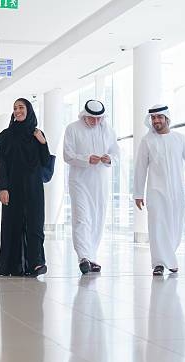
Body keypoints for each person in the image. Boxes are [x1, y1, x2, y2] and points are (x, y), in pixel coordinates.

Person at [134, 104, 185, 276]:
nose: (156, 121)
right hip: (155, 191)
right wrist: (138, 194)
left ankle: (168, 257)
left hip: (177, 192)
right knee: (157, 226)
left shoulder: (180, 139)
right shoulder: (147, 141)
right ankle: (159, 264)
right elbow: (140, 168)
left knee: (176, 225)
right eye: (153, 118)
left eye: (159, 117)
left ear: (167, 118)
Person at [0, 98, 51, 277]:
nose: (18, 111)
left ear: (29, 110)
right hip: (12, 187)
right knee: (12, 225)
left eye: (21, 107)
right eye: (15, 108)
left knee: (35, 224)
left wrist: (43, 143)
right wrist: (2, 188)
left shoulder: (37, 134)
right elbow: (2, 164)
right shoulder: (6, 135)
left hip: (34, 187)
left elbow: (45, 162)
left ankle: (36, 264)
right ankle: (12, 266)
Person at [63, 100, 120, 274]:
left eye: (98, 118)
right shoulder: (72, 129)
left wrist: (109, 158)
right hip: (79, 181)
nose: (95, 122)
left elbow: (117, 154)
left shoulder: (108, 131)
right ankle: (83, 257)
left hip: (100, 182)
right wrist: (86, 159)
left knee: (98, 218)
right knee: (82, 218)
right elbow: (68, 155)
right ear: (84, 115)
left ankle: (92, 256)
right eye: (91, 118)